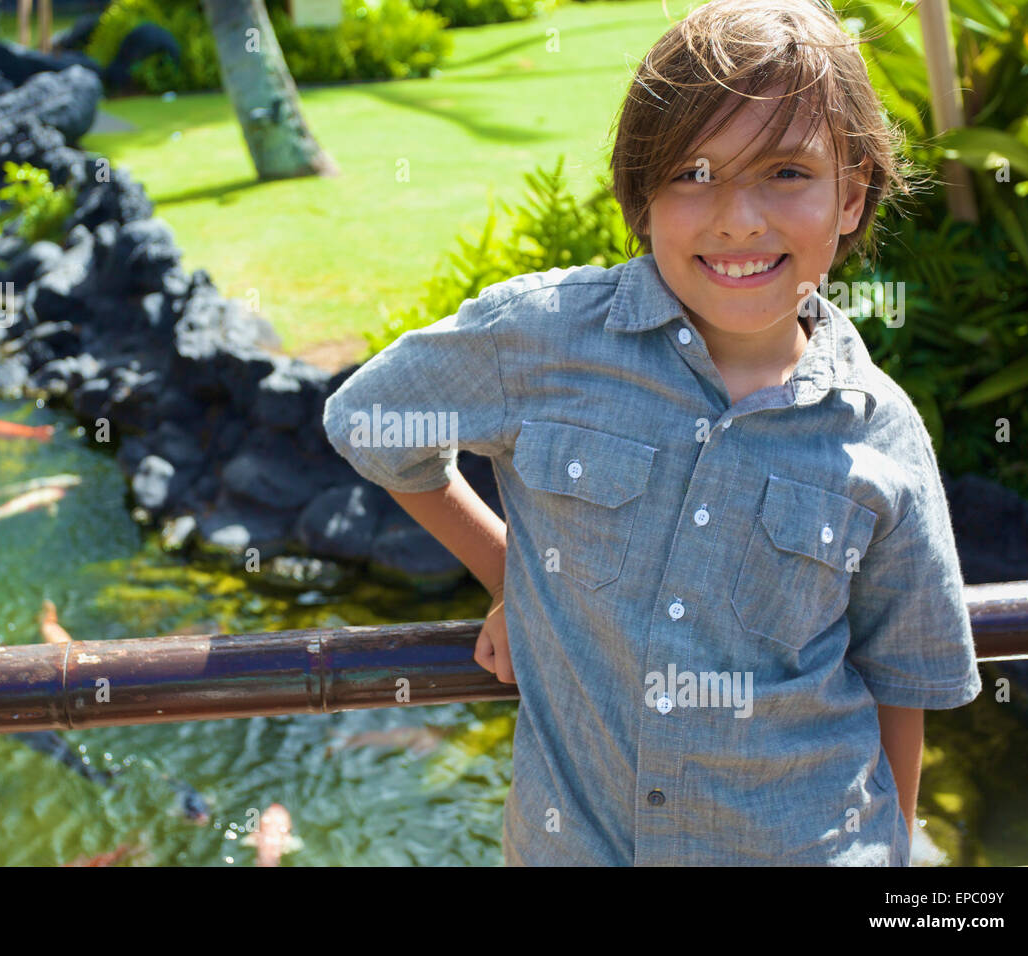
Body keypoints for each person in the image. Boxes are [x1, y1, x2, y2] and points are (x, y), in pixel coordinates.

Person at [321, 0, 981, 865]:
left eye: (786, 172)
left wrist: (890, 852)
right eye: (696, 172)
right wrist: (519, 572)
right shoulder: (545, 341)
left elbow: (904, 677)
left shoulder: (880, 430)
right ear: (641, 198)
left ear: (851, 195)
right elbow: (370, 421)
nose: (739, 218)